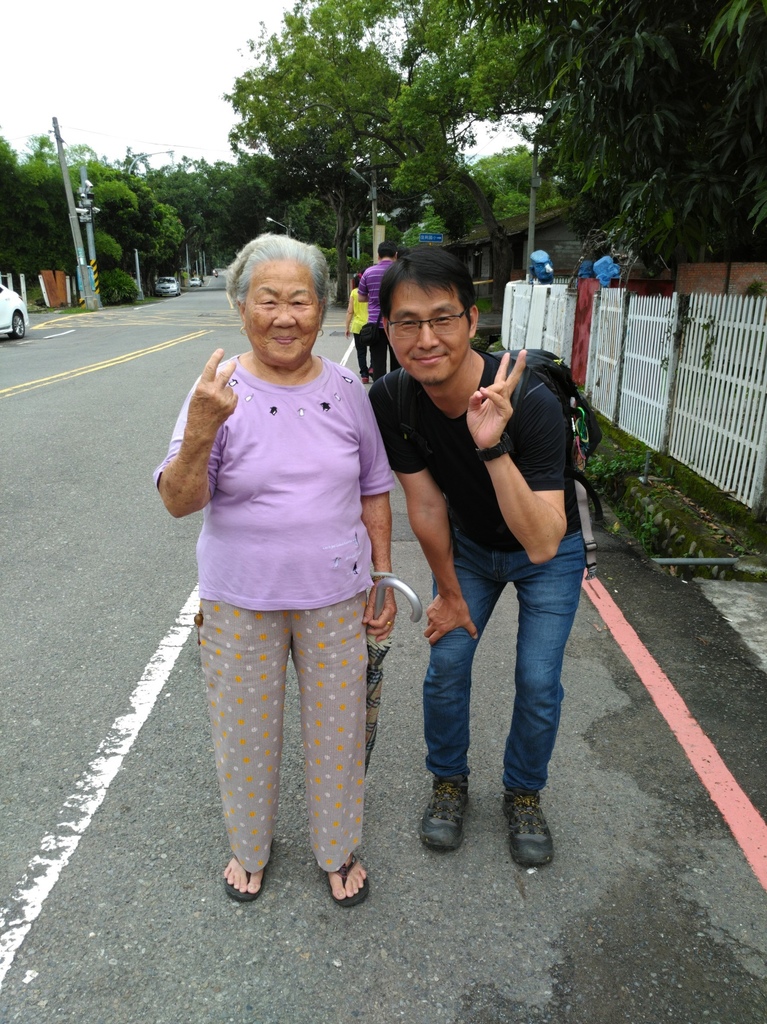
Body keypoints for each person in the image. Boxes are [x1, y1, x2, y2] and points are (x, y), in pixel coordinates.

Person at [154, 233, 397, 906]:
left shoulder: (349, 389)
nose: (284, 316)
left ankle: (335, 848)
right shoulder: (216, 391)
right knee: (243, 732)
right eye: (268, 300)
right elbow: (179, 502)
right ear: (240, 307)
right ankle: (249, 848)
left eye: (299, 300)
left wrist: (381, 574)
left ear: (322, 307)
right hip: (241, 597)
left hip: (336, 594)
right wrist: (203, 427)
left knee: (338, 731)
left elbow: (374, 487)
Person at [369, 248, 585, 867]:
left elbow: (544, 539)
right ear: (387, 329)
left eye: (442, 319)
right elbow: (427, 505)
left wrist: (491, 446)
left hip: (548, 553)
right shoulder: (395, 398)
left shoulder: (533, 400)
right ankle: (449, 782)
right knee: (446, 665)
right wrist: (448, 591)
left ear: (472, 320)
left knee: (539, 680)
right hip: (469, 548)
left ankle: (522, 793)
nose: (426, 338)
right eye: (407, 322)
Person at [358, 240, 399, 381]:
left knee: (378, 362)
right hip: (397, 323)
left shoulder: (368, 272)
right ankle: (396, 392)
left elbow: (361, 298)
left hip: (375, 325)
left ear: (378, 255)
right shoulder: (400, 271)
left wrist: (375, 296)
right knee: (398, 361)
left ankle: (379, 394)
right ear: (396, 255)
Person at [344, 272, 371, 383]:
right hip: (371, 325)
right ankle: (373, 368)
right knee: (374, 350)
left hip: (358, 326)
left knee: (361, 352)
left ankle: (364, 375)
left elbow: (350, 311)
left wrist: (347, 327)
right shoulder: (370, 293)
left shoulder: (354, 293)